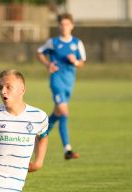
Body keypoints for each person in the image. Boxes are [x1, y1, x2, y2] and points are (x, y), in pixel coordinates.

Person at [37, 13, 86, 160]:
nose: (64, 27)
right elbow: (39, 52)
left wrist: (75, 61)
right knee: (64, 112)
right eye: (62, 24)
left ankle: (41, 134)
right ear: (59, 26)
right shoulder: (53, 42)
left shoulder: (77, 43)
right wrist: (47, 64)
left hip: (69, 82)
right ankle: (67, 150)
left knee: (57, 114)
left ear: (72, 26)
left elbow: (82, 62)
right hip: (56, 81)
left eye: (67, 24)